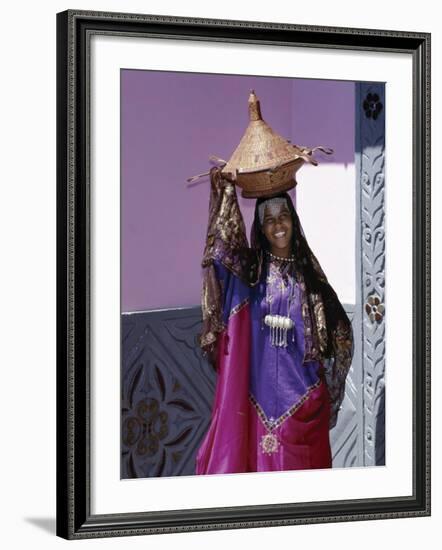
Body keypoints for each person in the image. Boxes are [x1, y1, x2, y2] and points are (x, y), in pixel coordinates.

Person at [195, 165, 353, 474]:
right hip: (260, 401)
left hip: (306, 398)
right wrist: (224, 188)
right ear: (262, 228)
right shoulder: (251, 274)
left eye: (283, 217)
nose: (278, 225)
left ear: (293, 221)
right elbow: (223, 252)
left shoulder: (309, 275)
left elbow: (338, 331)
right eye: (269, 220)